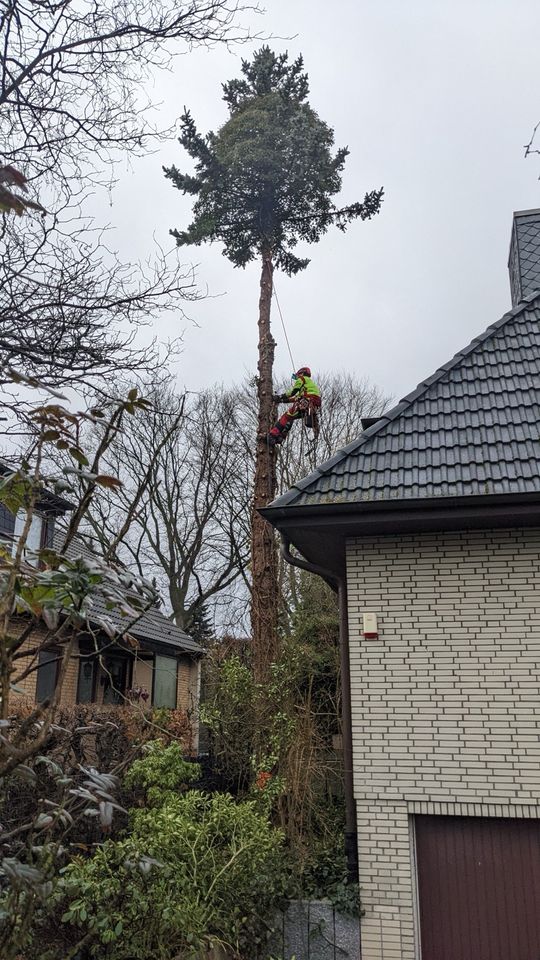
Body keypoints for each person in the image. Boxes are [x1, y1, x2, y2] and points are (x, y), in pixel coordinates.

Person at [266, 366, 321, 446]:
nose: (297, 377)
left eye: (298, 375)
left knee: (285, 417)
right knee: (290, 418)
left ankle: (272, 435)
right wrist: (282, 401)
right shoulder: (309, 385)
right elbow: (296, 398)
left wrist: (280, 396)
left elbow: (293, 392)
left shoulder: (302, 379)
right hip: (311, 405)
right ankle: (281, 437)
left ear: (302, 373)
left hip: (306, 401)